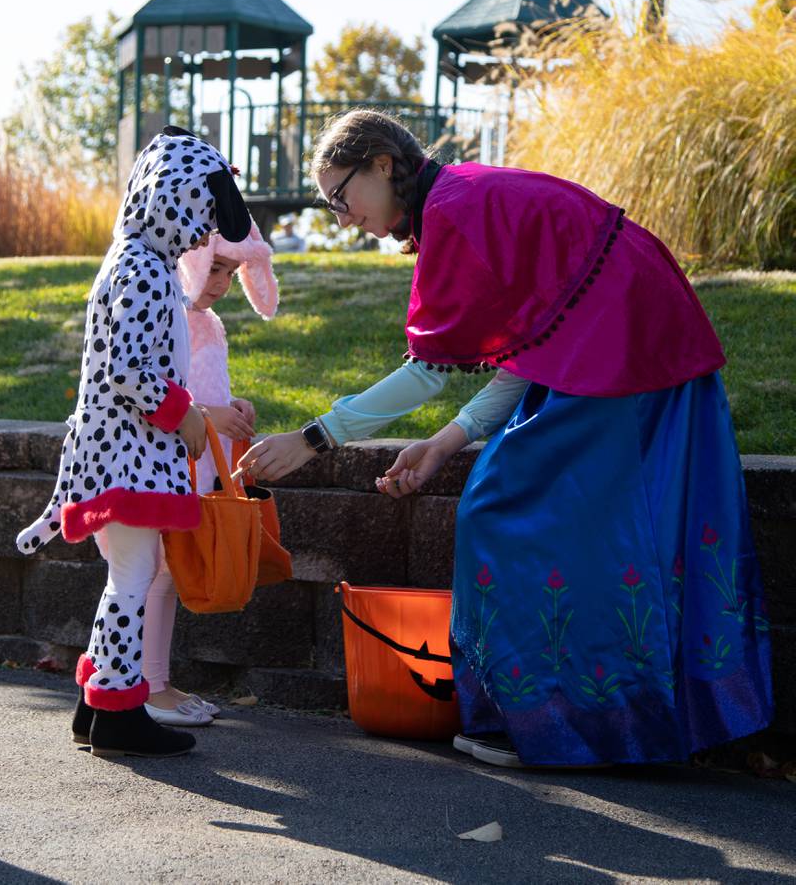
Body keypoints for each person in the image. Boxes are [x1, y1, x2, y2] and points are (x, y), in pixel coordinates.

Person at [237, 108, 772, 769]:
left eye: (340, 197)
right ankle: (585, 723)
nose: (341, 216)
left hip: (629, 347)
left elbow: (429, 373)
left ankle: (561, 727)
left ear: (381, 164)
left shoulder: (457, 210)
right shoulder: (459, 200)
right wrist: (445, 441)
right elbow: (534, 348)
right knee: (548, 512)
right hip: (625, 342)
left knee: (504, 506)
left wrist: (315, 439)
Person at [16, 125, 252, 758]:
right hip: (128, 453)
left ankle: (96, 706)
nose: (205, 235)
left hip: (122, 450)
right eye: (203, 216)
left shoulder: (138, 261)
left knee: (129, 574)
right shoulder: (144, 270)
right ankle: (119, 711)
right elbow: (128, 369)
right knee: (134, 577)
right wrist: (189, 417)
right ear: (172, 199)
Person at [141, 223, 278, 726]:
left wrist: (230, 406)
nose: (221, 281)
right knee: (158, 573)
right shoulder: (166, 314)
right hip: (164, 470)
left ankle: (156, 681)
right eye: (214, 267)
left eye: (232, 270)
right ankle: (150, 686)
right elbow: (152, 391)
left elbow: (202, 387)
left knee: (170, 574)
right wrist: (206, 414)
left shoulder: (210, 322)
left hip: (199, 472)